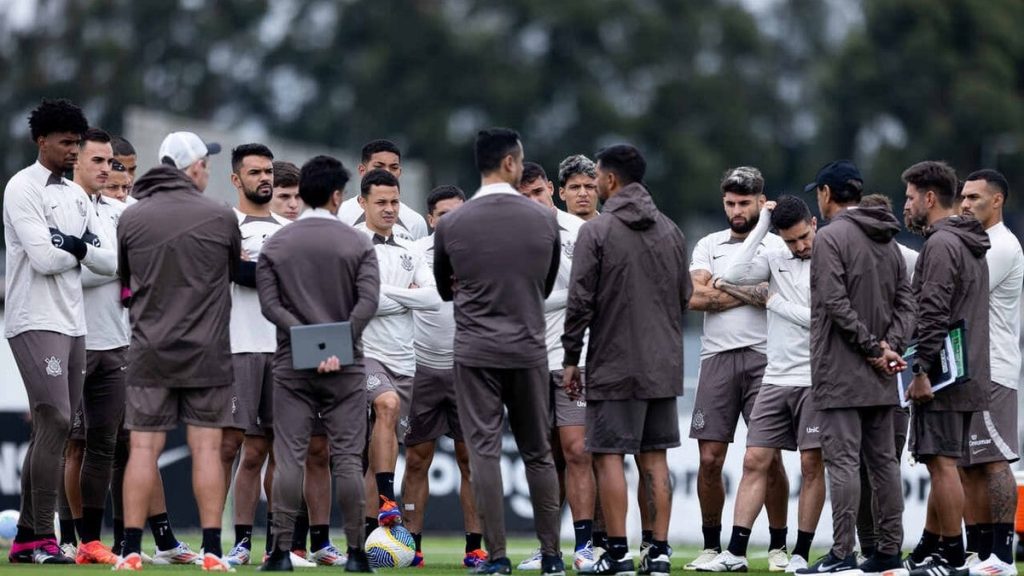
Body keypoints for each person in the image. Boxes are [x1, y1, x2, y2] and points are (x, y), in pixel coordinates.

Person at [433, 127, 563, 575]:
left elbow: (443, 288)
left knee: (484, 452)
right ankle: (551, 556)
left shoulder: (451, 223)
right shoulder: (544, 219)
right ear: (510, 163)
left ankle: (499, 557)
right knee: (538, 452)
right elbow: (544, 285)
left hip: (475, 351)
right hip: (528, 347)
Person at [562, 144, 690, 576]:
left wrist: (571, 359)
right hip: (663, 364)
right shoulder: (671, 230)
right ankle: (659, 552)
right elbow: (685, 296)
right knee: (655, 459)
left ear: (610, 180)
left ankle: (616, 553)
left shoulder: (596, 232)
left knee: (609, 456)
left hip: (615, 363)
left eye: (596, 176)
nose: (594, 184)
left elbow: (579, 302)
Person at [114, 131, 238, 571]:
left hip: (149, 351)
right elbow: (230, 271)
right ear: (192, 168)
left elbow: (125, 280)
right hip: (207, 351)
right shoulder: (221, 216)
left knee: (143, 450)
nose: (208, 169)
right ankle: (211, 551)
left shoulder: (131, 218)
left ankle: (129, 550)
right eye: (205, 162)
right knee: (206, 450)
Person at [4, 98, 117, 565]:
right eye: (67, 143)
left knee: (58, 425)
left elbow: (110, 262)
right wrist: (79, 249)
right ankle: (44, 538)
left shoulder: (75, 195)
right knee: (53, 420)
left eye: (77, 143)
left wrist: (69, 243)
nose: (74, 151)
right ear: (42, 141)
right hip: (34, 318)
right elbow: (44, 260)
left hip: (74, 323)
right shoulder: (20, 188)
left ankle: (28, 538)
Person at [255, 155, 377, 573]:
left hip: (292, 364)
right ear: (338, 195)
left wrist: (307, 342)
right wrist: (336, 346)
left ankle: (279, 553)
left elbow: (271, 305)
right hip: (347, 366)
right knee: (347, 459)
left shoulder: (276, 243)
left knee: (289, 458)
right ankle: (357, 553)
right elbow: (368, 303)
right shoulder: (358, 242)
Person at [799, 160, 915, 575]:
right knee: (884, 463)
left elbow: (833, 301)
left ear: (826, 194)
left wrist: (871, 347)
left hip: (842, 370)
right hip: (885, 372)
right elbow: (908, 303)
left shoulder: (831, 237)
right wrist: (891, 348)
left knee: (844, 464)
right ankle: (888, 553)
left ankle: (844, 553)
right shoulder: (888, 235)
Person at [698, 196, 825, 574]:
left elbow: (820, 318)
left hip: (815, 378)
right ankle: (735, 552)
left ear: (814, 224)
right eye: (790, 241)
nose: (799, 247)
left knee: (810, 463)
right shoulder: (775, 254)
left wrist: (772, 303)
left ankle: (799, 553)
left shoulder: (830, 258)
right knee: (755, 460)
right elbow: (733, 274)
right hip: (776, 376)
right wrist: (763, 224)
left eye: (803, 237)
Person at [687, 166, 791, 571]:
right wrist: (752, 293)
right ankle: (711, 546)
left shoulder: (776, 245)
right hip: (716, 359)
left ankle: (779, 545)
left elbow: (777, 295)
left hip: (766, 358)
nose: (736, 210)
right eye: (730, 203)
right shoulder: (708, 244)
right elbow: (696, 298)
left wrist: (724, 287)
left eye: (745, 203)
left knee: (768, 459)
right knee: (710, 459)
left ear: (760, 201)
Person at [902, 161, 991, 576]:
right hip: (966, 370)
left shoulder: (941, 244)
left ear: (930, 198)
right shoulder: (970, 241)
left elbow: (934, 312)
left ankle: (953, 557)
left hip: (942, 375)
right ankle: (937, 550)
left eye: (909, 197)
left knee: (942, 464)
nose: (907, 204)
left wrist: (920, 370)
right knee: (945, 463)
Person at [400, 184, 488, 569]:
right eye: (445, 215)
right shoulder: (415, 253)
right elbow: (399, 298)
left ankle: (475, 547)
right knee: (418, 458)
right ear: (432, 219)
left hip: (468, 369)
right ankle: (412, 546)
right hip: (421, 368)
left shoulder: (483, 255)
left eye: (459, 213)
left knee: (471, 460)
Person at [516, 161, 598, 572]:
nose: (533, 201)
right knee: (544, 456)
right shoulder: (512, 236)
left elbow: (589, 293)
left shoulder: (581, 232)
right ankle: (548, 547)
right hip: (530, 359)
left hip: (574, 359)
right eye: (524, 196)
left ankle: (584, 546)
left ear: (551, 189)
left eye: (538, 193)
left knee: (577, 450)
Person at [355, 169, 440, 536]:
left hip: (406, 359)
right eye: (381, 202)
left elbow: (434, 297)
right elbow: (359, 303)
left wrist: (384, 295)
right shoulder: (352, 244)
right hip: (364, 354)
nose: (389, 209)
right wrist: (406, 297)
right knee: (385, 406)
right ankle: (389, 501)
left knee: (381, 452)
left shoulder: (411, 248)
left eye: (394, 202)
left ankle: (372, 533)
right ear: (362, 203)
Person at [56, 128, 122, 565]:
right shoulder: (58, 204)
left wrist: (93, 258)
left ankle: (91, 542)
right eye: (97, 161)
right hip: (71, 337)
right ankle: (58, 536)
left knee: (104, 445)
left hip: (117, 342)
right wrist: (110, 266)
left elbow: (125, 266)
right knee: (66, 442)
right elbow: (64, 272)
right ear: (75, 160)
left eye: (109, 161)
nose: (106, 169)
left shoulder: (120, 211)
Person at [267, 158, 333, 562]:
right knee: (272, 452)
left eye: (297, 196)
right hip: (271, 354)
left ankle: (319, 542)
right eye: (284, 196)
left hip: (319, 352)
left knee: (319, 450)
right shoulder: (269, 240)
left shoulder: (318, 236)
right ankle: (281, 542)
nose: (292, 204)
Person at [957, 170, 1022, 576]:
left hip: (995, 369)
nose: (965, 204)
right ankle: (979, 553)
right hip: (970, 369)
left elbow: (961, 292)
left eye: (974, 198)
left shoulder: (1001, 246)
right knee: (968, 465)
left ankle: (1002, 554)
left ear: (996, 201)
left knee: (995, 461)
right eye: (963, 197)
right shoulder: (979, 242)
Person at [853, 193, 917, 563]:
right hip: (875, 378)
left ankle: (881, 547)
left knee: (875, 467)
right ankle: (875, 548)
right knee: (869, 468)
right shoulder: (899, 256)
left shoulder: (907, 259)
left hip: (888, 379)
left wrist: (884, 348)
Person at [336, 139, 428, 241]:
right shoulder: (340, 215)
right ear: (362, 170)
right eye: (379, 166)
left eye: (393, 167)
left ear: (400, 172)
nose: (387, 172)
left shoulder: (415, 222)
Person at [557, 155, 600, 221]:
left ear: (599, 191)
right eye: (575, 187)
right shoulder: (552, 230)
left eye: (589, 187)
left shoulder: (614, 228)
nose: (583, 194)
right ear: (562, 193)